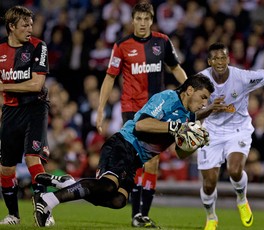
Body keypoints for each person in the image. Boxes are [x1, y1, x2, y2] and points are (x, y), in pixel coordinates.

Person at [32, 74, 214, 227]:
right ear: (190, 90)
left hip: (135, 160)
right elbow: (142, 125)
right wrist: (175, 127)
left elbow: (180, 153)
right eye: (203, 97)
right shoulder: (167, 98)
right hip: (123, 144)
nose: (204, 103)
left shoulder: (188, 116)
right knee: (108, 185)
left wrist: (194, 143)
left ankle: (68, 184)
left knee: (118, 201)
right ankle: (48, 200)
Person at [96, 2, 187, 228]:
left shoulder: (162, 42)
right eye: (139, 19)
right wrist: (100, 109)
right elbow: (110, 77)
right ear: (133, 20)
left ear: (152, 20)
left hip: (158, 110)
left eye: (147, 19)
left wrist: (191, 90)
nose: (143, 23)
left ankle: (141, 214)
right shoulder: (122, 46)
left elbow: (175, 67)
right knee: (135, 159)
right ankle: (135, 212)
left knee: (152, 162)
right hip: (132, 109)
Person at [195, 42, 264, 230]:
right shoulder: (199, 81)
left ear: (228, 58)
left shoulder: (242, 77)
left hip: (238, 129)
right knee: (209, 183)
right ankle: (211, 217)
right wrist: (210, 109)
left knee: (235, 171)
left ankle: (242, 200)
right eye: (215, 58)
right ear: (209, 61)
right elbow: (194, 113)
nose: (220, 61)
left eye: (223, 57)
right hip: (211, 132)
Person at [0, 6, 75, 225]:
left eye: (31, 24)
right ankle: (13, 214)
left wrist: (4, 86)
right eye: (25, 25)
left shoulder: (38, 47)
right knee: (6, 168)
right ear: (12, 27)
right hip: (11, 112)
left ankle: (46, 212)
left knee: (33, 158)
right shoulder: (1, 51)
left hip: (35, 108)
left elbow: (37, 84)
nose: (30, 29)